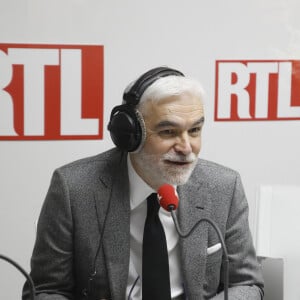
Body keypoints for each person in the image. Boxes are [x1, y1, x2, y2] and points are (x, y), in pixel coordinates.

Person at [23, 66, 264, 300]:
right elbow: (45, 289)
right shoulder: (73, 188)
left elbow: (247, 284)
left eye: (194, 130)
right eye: (168, 132)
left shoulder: (223, 186)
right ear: (131, 135)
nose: (186, 148)